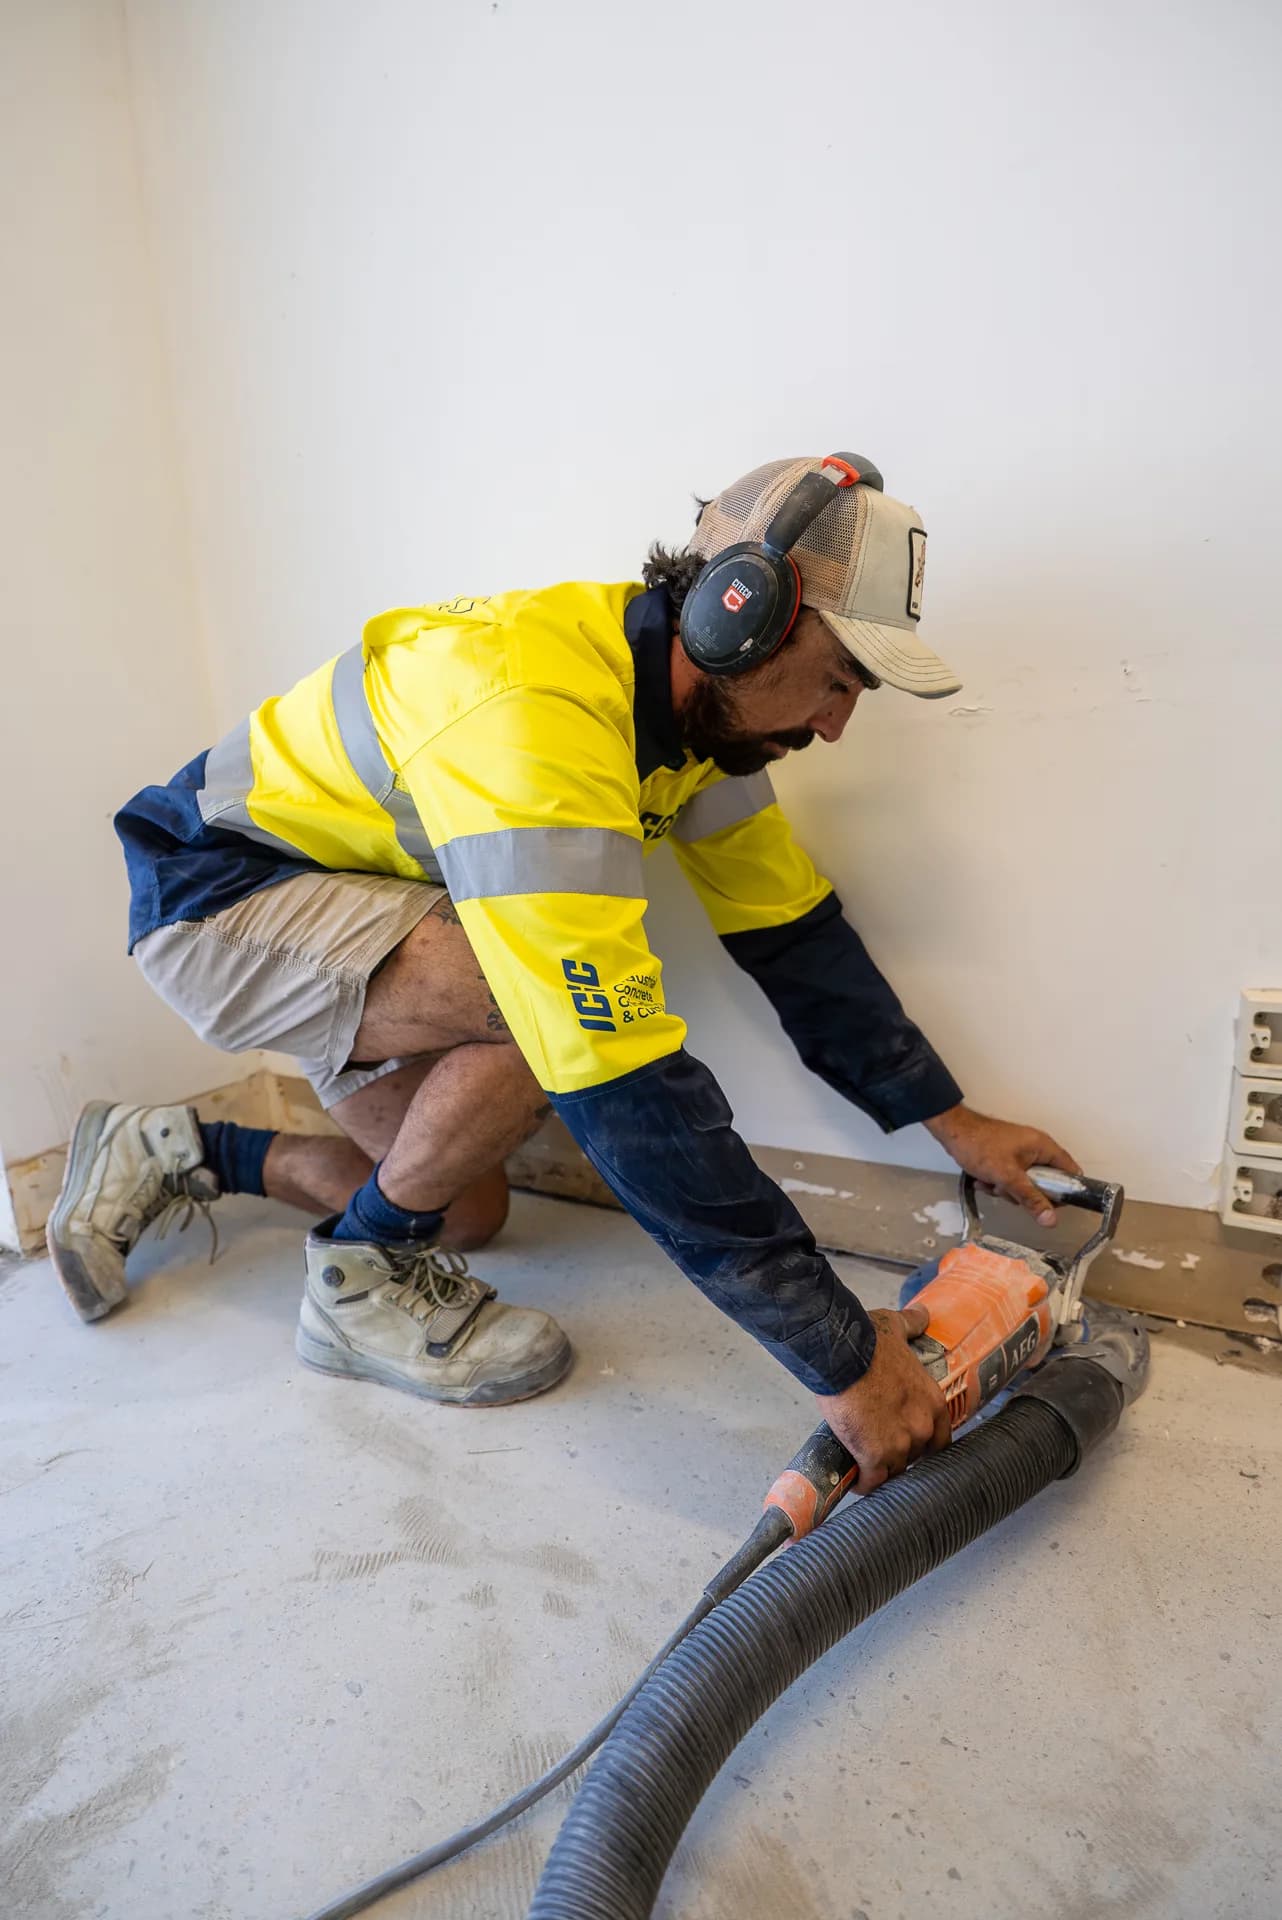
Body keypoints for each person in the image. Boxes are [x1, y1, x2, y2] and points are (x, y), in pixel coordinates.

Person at [49, 452, 1078, 1489]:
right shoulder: (532, 706)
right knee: (550, 1010)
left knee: (461, 1213)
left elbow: (793, 936)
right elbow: (610, 1059)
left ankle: (183, 1146)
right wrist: (840, 1359)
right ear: (741, 615)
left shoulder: (700, 730)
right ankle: (353, 1284)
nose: (834, 723)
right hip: (221, 903)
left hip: (363, 917)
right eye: (837, 677)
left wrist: (956, 1123)